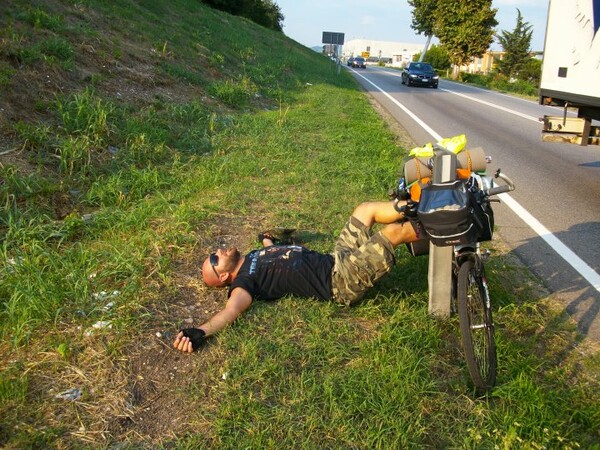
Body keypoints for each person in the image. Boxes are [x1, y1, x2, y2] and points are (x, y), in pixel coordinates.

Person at [173, 199, 418, 353]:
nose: (217, 252)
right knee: (393, 233)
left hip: (336, 260)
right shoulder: (243, 283)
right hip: (340, 281)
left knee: (366, 210)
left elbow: (270, 249)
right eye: (214, 259)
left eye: (212, 253)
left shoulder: (253, 256)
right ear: (225, 275)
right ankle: (442, 222)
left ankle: (414, 205)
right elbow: (230, 311)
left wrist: (267, 237)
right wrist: (201, 332)